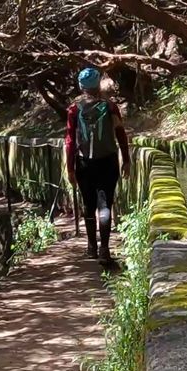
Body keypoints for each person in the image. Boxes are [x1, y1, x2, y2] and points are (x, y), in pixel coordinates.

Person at [64, 67, 132, 263]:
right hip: (108, 161)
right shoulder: (110, 107)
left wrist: (70, 168)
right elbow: (120, 133)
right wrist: (126, 159)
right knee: (105, 204)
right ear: (98, 84)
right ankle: (104, 249)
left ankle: (91, 247)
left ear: (81, 86)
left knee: (88, 204)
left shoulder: (74, 110)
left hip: (84, 163)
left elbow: (69, 140)